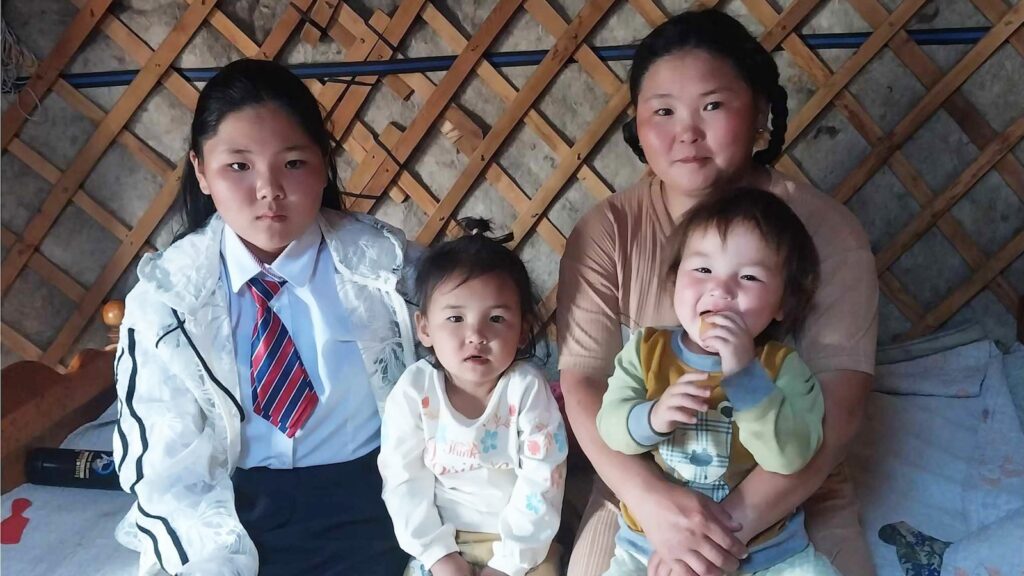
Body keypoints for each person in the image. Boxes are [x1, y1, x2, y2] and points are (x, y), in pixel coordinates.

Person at [556, 9, 879, 576]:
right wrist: (656, 508)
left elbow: (839, 414)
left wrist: (718, 532)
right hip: (638, 498)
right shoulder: (608, 232)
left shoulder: (826, 233)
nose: (687, 131)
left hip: (791, 504)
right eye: (663, 111)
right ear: (637, 126)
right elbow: (583, 383)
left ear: (759, 113)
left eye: (712, 105)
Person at [112, 59, 417, 576]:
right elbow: (164, 470)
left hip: (381, 503)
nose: (268, 189)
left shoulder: (390, 272)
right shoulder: (165, 301)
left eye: (293, 164)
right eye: (239, 166)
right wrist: (215, 560)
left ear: (324, 165)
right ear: (201, 171)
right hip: (232, 514)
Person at [597, 187, 837, 576]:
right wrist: (653, 417)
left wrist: (744, 376)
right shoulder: (646, 351)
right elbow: (610, 428)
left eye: (748, 277)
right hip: (652, 545)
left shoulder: (783, 367)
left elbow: (792, 457)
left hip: (765, 552)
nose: (721, 289)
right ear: (675, 280)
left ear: (782, 305)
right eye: (703, 270)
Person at [379, 218, 568, 576]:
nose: (476, 335)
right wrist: (438, 555)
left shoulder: (526, 389)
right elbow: (403, 479)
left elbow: (544, 480)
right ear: (424, 327)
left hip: (525, 543)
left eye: (496, 319)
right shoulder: (415, 391)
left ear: (523, 329)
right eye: (455, 319)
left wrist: (509, 564)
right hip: (446, 541)